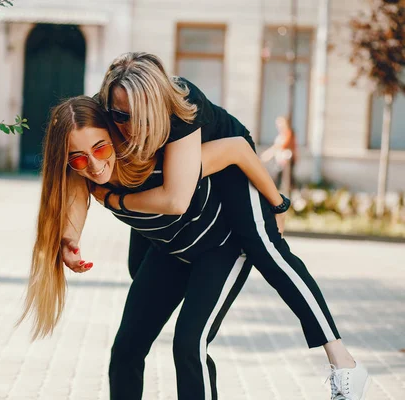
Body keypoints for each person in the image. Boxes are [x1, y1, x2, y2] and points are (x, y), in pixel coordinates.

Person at [90, 52, 368, 400]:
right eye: (119, 116)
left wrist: (277, 202)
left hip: (234, 167)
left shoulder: (179, 107)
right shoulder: (103, 116)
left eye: (141, 116)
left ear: (158, 106)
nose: (130, 126)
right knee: (139, 281)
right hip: (190, 185)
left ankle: (342, 359)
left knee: (266, 249)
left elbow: (226, 158)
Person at [20, 96, 294, 399]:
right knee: (126, 350)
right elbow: (76, 184)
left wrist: (278, 204)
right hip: (167, 249)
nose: (95, 165)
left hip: (218, 245)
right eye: (80, 159)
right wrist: (70, 239)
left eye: (100, 149)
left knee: (190, 346)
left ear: (116, 133)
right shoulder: (85, 147)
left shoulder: (154, 138)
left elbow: (236, 149)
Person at [261, 116, 298, 191]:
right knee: (281, 180)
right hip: (279, 161)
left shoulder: (289, 134)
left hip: (286, 162)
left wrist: (268, 154)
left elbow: (281, 146)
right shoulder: (280, 135)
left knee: (282, 180)